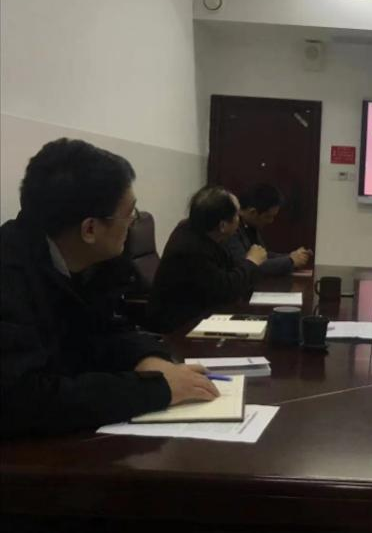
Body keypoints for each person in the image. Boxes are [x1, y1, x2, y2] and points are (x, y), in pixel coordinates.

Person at [0, 139, 219, 438]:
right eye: (130, 212)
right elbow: (23, 399)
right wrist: (157, 389)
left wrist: (148, 360)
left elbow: (106, 331)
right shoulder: (9, 275)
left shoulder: (98, 261)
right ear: (90, 229)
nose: (134, 221)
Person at [146, 186, 268, 332]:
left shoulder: (207, 233)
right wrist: (251, 262)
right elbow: (225, 290)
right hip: (180, 327)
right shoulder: (191, 249)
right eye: (236, 215)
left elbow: (230, 270)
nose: (239, 219)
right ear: (223, 225)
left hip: (202, 315)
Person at [224, 183, 311, 276]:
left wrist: (292, 256)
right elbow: (250, 265)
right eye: (268, 217)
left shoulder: (250, 225)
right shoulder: (231, 228)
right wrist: (290, 261)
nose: (271, 221)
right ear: (253, 212)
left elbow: (263, 255)